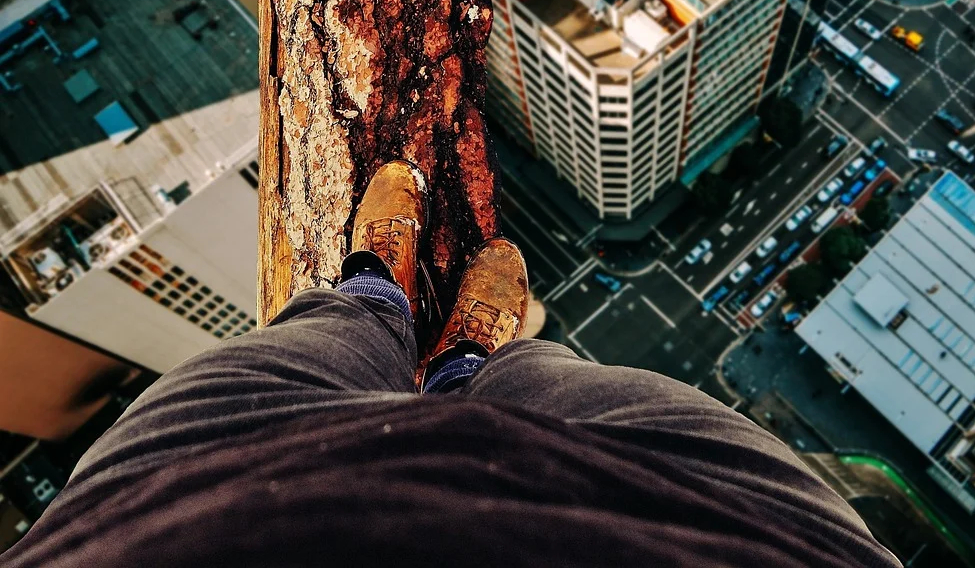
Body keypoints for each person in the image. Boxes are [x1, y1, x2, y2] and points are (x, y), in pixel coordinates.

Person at [3, 161, 901, 567]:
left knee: (279, 362)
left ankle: (374, 296)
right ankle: (469, 366)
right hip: (742, 539)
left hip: (160, 528)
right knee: (567, 387)